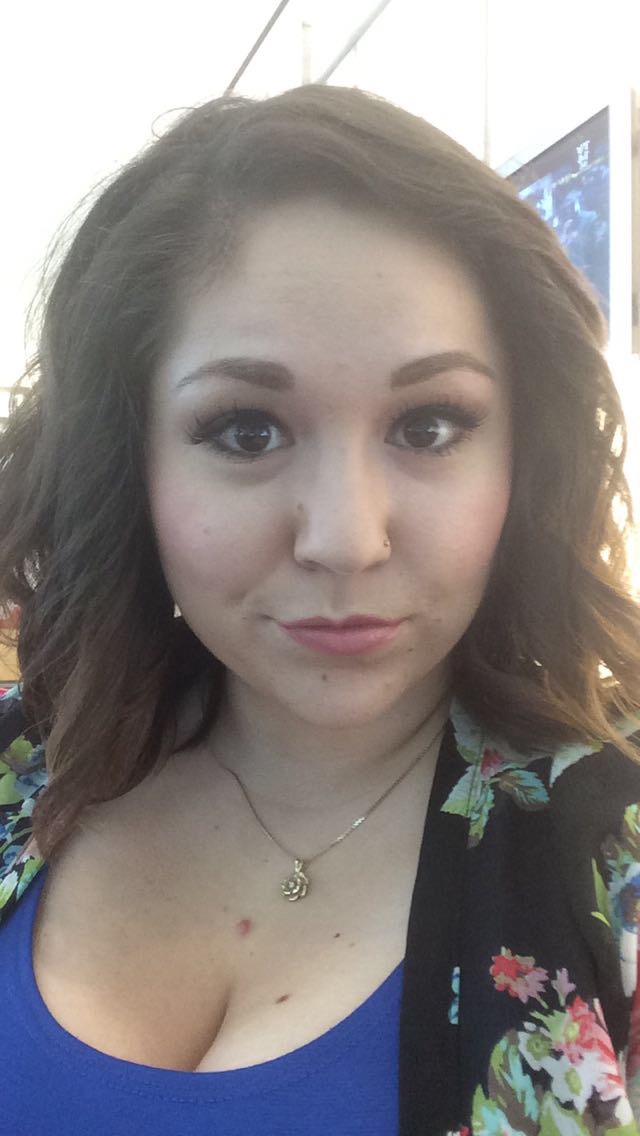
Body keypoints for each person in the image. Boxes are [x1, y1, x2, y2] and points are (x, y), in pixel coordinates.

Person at [0, 83, 639, 1135]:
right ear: (129, 463)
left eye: (430, 425)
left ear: (524, 459)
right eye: (247, 430)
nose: (345, 538)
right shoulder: (25, 762)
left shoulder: (615, 857)